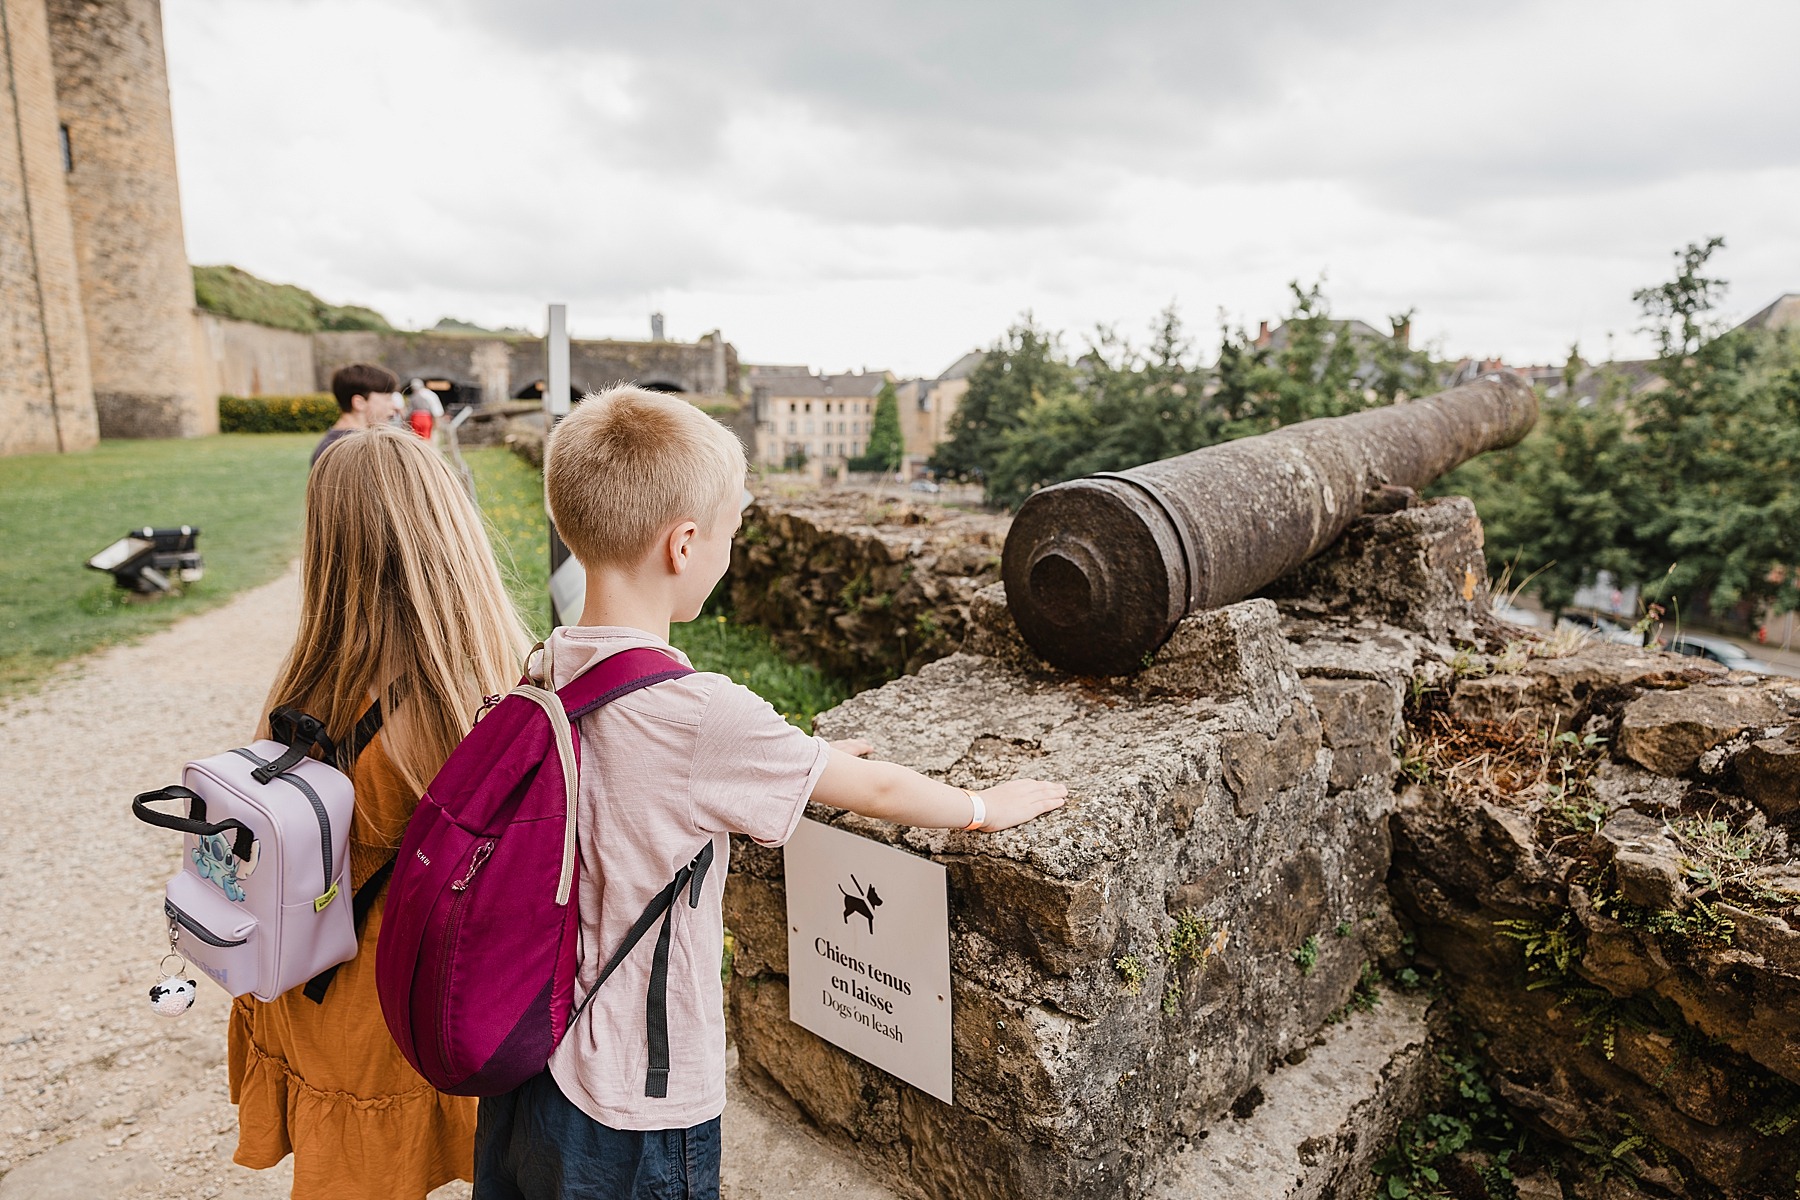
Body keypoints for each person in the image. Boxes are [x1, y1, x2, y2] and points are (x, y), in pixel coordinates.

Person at [472, 386, 1066, 1200]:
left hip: (536, 1059)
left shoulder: (546, 664)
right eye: (727, 535)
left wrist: (792, 757)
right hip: (638, 1098)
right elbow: (880, 786)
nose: (728, 552)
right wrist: (982, 808)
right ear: (684, 545)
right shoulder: (700, 712)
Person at [232, 426, 534, 1199]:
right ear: (449, 530)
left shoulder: (305, 689)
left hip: (319, 989)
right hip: (413, 998)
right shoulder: (486, 696)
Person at [312, 363, 404, 466]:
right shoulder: (351, 449)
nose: (395, 406)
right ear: (359, 403)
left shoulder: (329, 445)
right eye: (387, 398)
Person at [405, 377, 444, 441]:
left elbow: (409, 411)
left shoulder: (412, 397)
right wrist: (437, 422)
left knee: (416, 438)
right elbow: (436, 410)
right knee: (426, 438)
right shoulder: (429, 394)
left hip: (416, 418)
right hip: (425, 418)